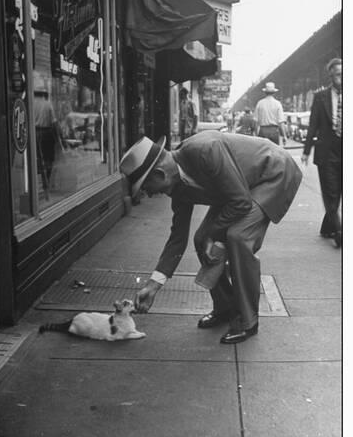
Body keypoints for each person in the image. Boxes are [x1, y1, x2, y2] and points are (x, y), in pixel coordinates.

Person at [119, 131, 302, 344]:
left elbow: (241, 202)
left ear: (160, 175)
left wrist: (214, 234)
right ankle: (225, 307)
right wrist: (153, 285)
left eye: (146, 188)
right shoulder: (177, 187)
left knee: (238, 237)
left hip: (272, 173)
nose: (148, 194)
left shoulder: (205, 150)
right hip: (238, 189)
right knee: (200, 239)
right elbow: (177, 239)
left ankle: (247, 320)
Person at [301, 58, 342, 247]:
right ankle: (340, 231)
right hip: (327, 151)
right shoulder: (321, 97)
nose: (340, 77)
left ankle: (328, 227)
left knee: (339, 192)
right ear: (331, 76)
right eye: (337, 74)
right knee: (330, 192)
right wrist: (306, 151)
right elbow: (313, 126)